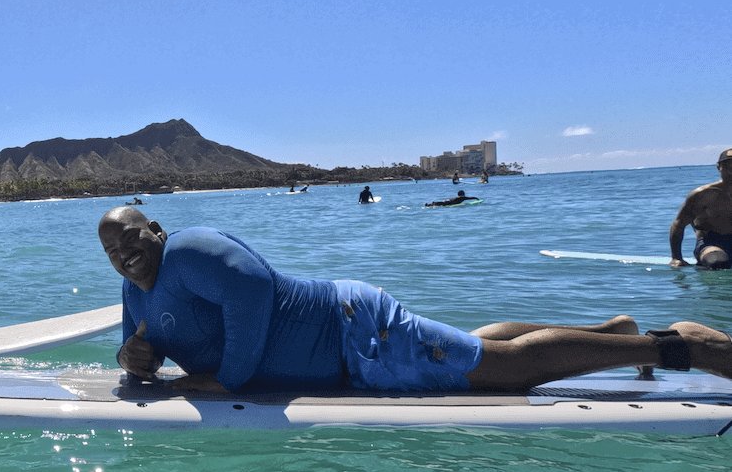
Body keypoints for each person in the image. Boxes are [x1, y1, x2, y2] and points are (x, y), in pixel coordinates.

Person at [96, 206, 732, 394]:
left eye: (134, 240)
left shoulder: (191, 250)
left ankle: (679, 347)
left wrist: (218, 383)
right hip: (350, 351)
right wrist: (136, 360)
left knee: (500, 374)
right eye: (114, 251)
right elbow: (145, 354)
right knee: (475, 346)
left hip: (351, 333)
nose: (127, 255)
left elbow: (254, 294)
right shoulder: (136, 290)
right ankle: (612, 330)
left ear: (156, 228)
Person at [669, 149, 732, 269]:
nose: (731, 171)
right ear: (718, 167)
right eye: (727, 167)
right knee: (717, 262)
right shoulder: (702, 195)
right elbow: (678, 224)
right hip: (712, 243)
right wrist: (676, 258)